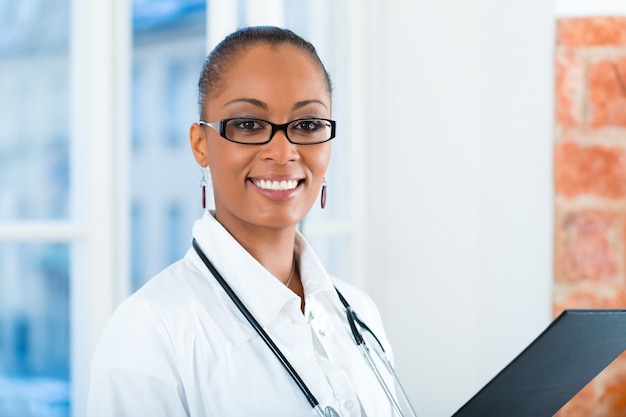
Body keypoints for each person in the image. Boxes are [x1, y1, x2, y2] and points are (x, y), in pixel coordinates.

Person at [87, 26, 410, 417]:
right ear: (200, 144)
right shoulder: (149, 333)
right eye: (249, 124)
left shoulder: (357, 311)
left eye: (307, 125)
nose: (283, 151)